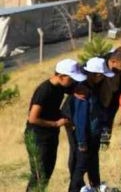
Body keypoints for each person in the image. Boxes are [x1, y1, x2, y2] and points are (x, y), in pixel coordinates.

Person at [25, 59, 83, 192]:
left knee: (48, 171)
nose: (73, 82)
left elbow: (76, 89)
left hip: (50, 135)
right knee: (39, 174)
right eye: (71, 78)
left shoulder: (61, 86)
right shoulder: (44, 90)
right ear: (61, 76)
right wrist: (56, 123)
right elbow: (32, 118)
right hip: (37, 136)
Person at [64, 57, 113, 192]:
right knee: (81, 166)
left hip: (93, 133)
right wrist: (81, 141)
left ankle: (95, 185)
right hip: (85, 135)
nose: (103, 79)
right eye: (102, 76)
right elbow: (80, 119)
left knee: (93, 160)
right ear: (95, 75)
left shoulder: (93, 88)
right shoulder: (83, 92)